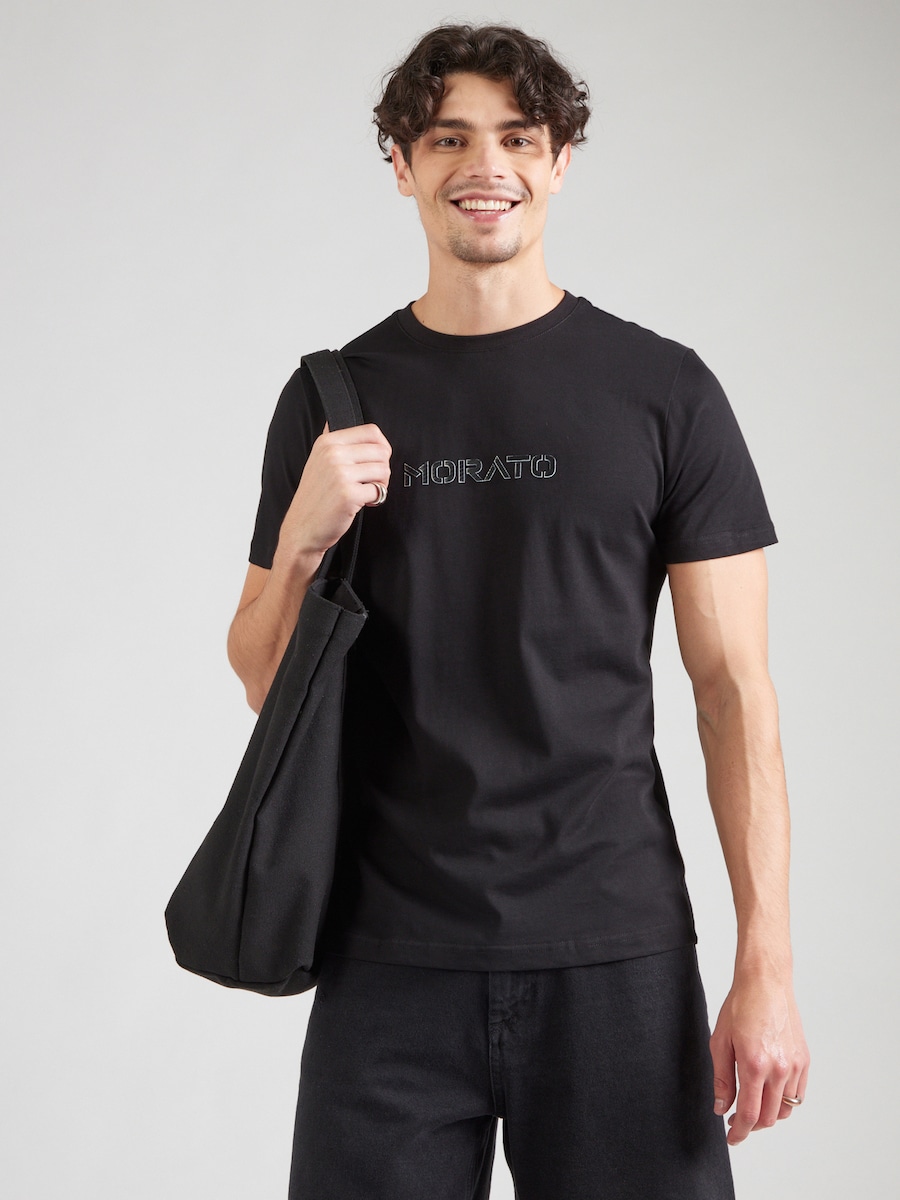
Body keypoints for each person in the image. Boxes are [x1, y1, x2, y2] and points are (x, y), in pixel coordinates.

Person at [227, 23, 809, 1200]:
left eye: (518, 137)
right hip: (389, 955)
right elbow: (259, 677)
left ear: (560, 161)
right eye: (449, 138)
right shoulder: (333, 400)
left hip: (614, 952)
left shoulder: (664, 392)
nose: (484, 165)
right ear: (402, 165)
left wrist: (767, 965)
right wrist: (302, 541)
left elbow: (733, 691)